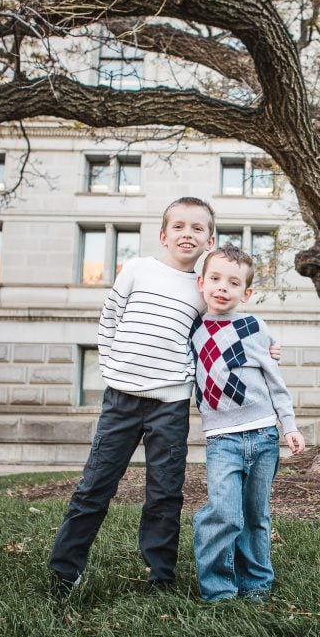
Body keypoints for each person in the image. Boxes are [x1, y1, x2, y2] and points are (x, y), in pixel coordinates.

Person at [47, 197, 280, 598]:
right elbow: (110, 318)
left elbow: (226, 326)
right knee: (94, 487)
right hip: (121, 399)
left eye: (197, 228)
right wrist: (112, 367)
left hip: (170, 405)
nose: (187, 233)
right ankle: (65, 573)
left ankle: (161, 577)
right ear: (163, 234)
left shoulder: (202, 289)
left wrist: (268, 347)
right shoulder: (138, 269)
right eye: (179, 226)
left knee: (165, 493)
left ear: (209, 240)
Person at [191, 244, 305, 603]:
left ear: (247, 292)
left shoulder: (254, 327)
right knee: (224, 512)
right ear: (201, 283)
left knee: (256, 516)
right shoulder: (191, 330)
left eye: (233, 282)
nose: (223, 287)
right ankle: (218, 587)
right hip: (221, 440)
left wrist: (289, 425)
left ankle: (255, 583)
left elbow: (274, 379)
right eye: (215, 279)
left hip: (264, 435)